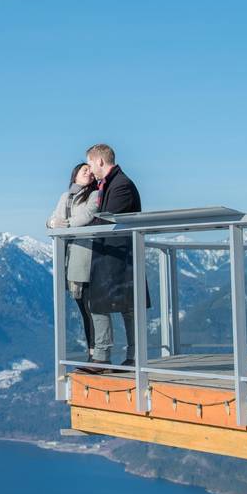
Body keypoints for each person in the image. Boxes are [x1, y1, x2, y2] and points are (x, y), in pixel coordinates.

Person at [84, 143, 143, 373]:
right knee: (101, 303)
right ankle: (108, 356)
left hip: (119, 257)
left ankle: (129, 357)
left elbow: (109, 220)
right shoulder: (110, 184)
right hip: (111, 256)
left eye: (90, 163)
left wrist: (87, 224)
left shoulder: (121, 186)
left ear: (99, 161)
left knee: (127, 306)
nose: (89, 169)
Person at [46, 162, 101, 360]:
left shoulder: (94, 194)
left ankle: (97, 352)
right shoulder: (65, 196)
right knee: (82, 308)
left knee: (90, 306)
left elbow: (87, 216)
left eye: (91, 171)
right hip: (68, 256)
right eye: (84, 170)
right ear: (75, 174)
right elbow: (53, 217)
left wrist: (64, 225)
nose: (89, 173)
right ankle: (91, 351)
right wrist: (52, 223)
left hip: (85, 255)